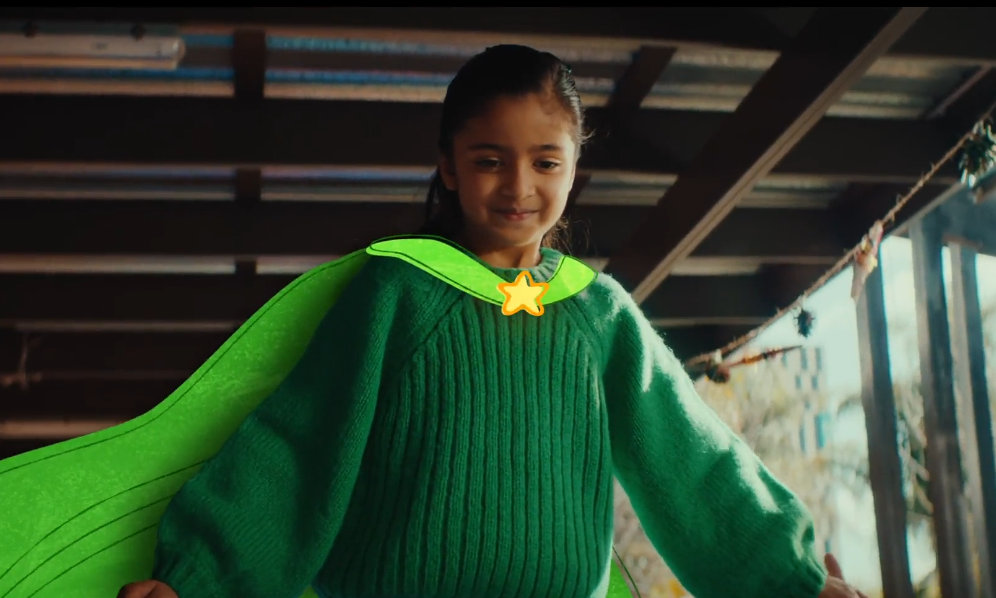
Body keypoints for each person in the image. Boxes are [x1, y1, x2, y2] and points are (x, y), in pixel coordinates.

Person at [117, 44, 869, 598]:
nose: (519, 186)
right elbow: (300, 443)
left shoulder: (599, 313)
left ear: (575, 167)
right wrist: (197, 579)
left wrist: (793, 581)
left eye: (546, 162)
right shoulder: (398, 292)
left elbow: (694, 463)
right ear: (447, 165)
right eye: (488, 160)